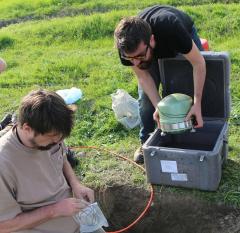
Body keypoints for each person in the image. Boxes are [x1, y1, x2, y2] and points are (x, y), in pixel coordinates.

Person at [114, 5, 206, 164]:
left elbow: (199, 64)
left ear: (151, 40)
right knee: (145, 100)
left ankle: (199, 133)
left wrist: (197, 102)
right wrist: (159, 107)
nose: (135, 62)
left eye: (139, 56)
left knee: (191, 88)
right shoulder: (126, 46)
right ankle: (146, 141)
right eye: (131, 59)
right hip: (151, 47)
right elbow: (143, 77)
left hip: (177, 35)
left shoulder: (172, 28)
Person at [0, 89, 94, 233]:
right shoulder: (4, 164)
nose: (57, 142)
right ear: (27, 128)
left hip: (79, 222)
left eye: (61, 138)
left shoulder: (51, 136)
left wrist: (75, 184)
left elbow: (62, 160)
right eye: (52, 138)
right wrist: (54, 211)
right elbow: (4, 226)